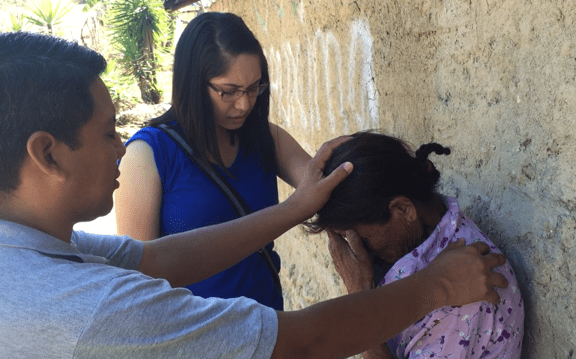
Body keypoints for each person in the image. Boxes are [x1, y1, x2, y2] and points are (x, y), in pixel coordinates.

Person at [0, 31, 509, 358]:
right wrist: (438, 287)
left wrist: (297, 209)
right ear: (47, 154)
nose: (120, 146)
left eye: (256, 88)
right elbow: (306, 342)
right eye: (110, 131)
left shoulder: (35, 250)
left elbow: (157, 258)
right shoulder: (92, 309)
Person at [115, 12, 310, 309]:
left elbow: (319, 182)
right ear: (193, 84)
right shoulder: (147, 155)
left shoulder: (263, 138)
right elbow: (139, 278)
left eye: (254, 88)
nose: (244, 104)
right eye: (229, 91)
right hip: (196, 338)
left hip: (269, 328)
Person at [306, 132, 525, 359]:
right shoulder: (424, 240)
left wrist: (359, 295)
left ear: (403, 209)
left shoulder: (462, 297)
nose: (358, 251)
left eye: (363, 238)